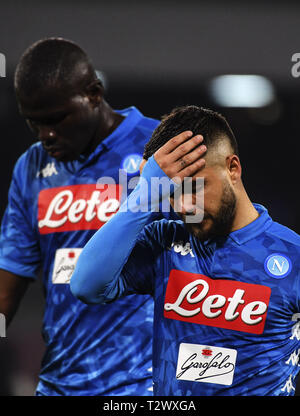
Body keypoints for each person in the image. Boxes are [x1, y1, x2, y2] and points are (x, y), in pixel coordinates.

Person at [71, 105, 300, 396]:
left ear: (233, 168)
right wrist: (143, 195)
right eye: (173, 192)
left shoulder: (292, 255)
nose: (184, 206)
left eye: (195, 187)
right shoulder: (164, 243)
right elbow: (86, 286)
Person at [0, 37, 160, 396]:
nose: (47, 135)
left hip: (147, 387)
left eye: (56, 119)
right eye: (34, 123)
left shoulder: (160, 148)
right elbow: (7, 286)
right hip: (60, 385)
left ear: (93, 93)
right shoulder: (32, 167)